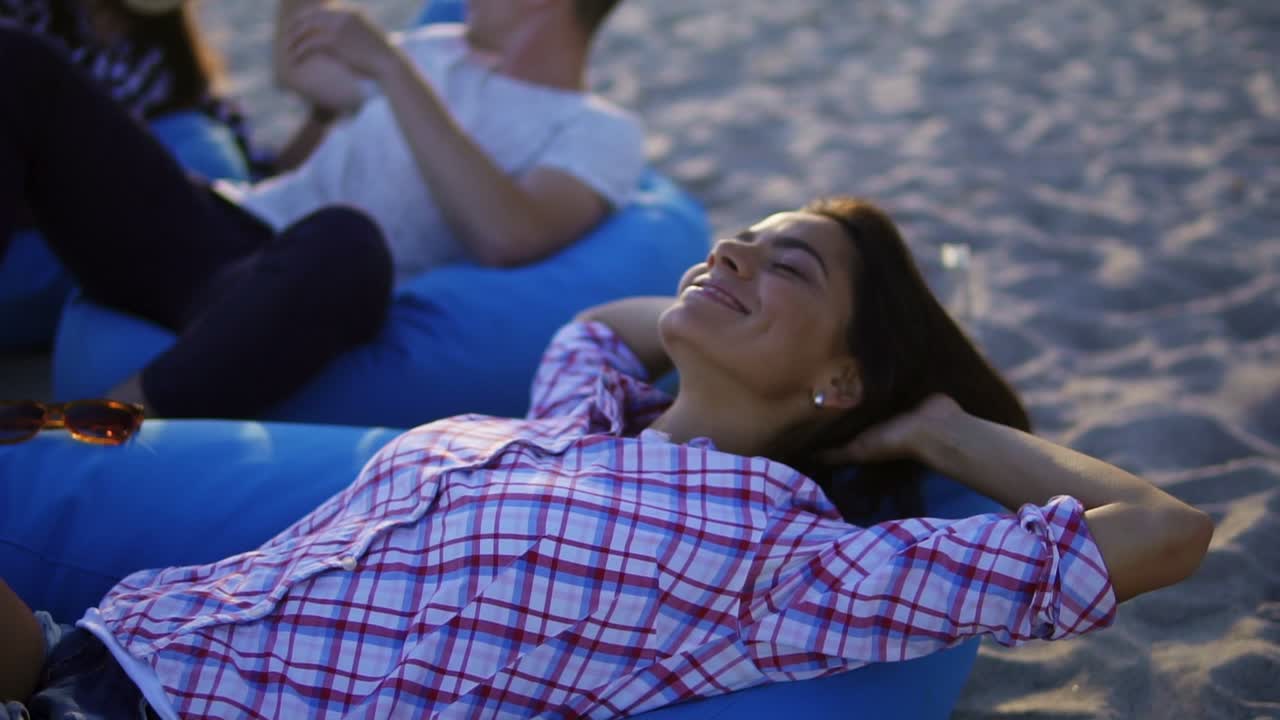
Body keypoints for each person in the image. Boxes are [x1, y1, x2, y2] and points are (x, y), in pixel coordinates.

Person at [0, 197, 1213, 719]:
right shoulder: (573, 415)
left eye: (784, 265)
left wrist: (936, 427)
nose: (730, 250)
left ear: (840, 380)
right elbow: (597, 323)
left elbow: (1165, 534)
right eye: (738, 236)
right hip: (90, 644)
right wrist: (725, 309)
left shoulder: (782, 561)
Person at [0, 0, 642, 418]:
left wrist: (393, 70)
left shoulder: (596, 128)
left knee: (347, 239)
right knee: (18, 59)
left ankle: (93, 422)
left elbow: (509, 235)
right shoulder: (438, 47)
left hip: (301, 279)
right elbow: (305, 73)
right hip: (209, 230)